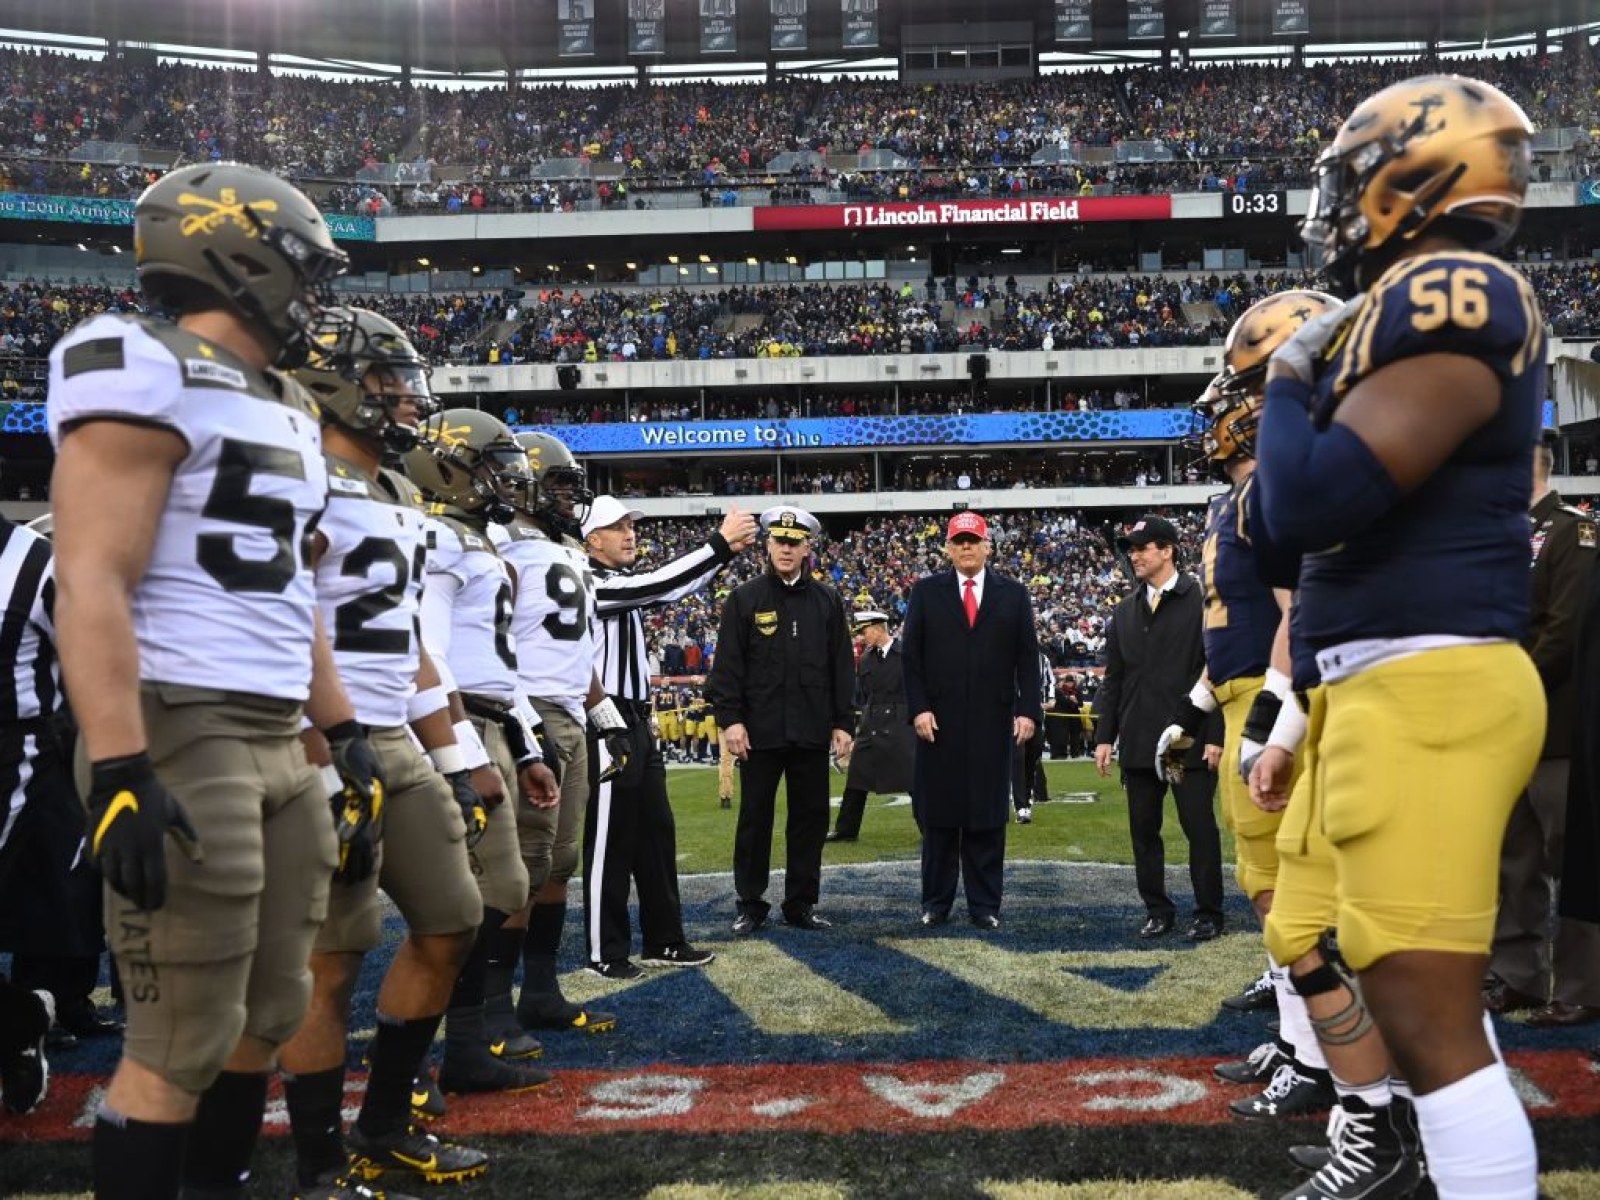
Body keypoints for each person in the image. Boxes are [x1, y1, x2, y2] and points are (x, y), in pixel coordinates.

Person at [48, 162, 379, 1200]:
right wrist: (120, 764)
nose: (311, 298)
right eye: (302, 271)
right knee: (181, 1034)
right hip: (180, 722)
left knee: (270, 1009)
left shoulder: (285, 399)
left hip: (282, 732)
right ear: (239, 257)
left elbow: (293, 591)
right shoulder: (134, 359)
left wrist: (349, 733)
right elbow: (92, 572)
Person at [1255, 74, 1547, 1198]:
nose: (1334, 208)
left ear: (1412, 174)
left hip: (1428, 680)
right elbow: (1297, 540)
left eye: (1348, 181)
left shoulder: (1452, 289)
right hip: (1390, 681)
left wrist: (1290, 382)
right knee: (1400, 994)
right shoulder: (1425, 295)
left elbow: (1307, 507)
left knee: (1430, 1021)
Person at [281, 309, 491, 1195]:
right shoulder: (297, 477)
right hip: (319, 741)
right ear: (333, 381)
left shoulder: (399, 494)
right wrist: (318, 750)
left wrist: (457, 755)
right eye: (383, 378)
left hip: (397, 737)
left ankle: (384, 1123)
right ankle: (322, 1163)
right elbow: (272, 617)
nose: (405, 395)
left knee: (452, 920)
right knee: (333, 960)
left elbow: (410, 646)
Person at [405, 408, 559, 1092]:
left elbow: (497, 661)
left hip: (491, 720)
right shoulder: (437, 540)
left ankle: (466, 1040)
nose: (508, 478)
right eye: (492, 464)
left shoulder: (477, 540)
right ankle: (425, 1049)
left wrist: (525, 747)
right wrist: (462, 752)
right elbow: (427, 653)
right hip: (451, 723)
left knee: (506, 887)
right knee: (461, 900)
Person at [585, 495, 755, 973]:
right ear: (591, 539)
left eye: (630, 525)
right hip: (606, 718)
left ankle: (664, 938)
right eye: (617, 527)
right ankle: (604, 949)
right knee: (610, 837)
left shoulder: (620, 581)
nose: (629, 533)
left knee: (656, 833)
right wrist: (719, 544)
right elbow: (661, 586)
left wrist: (725, 554)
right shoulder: (588, 581)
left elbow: (668, 588)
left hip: (638, 720)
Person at [490, 432, 623, 1036]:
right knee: (525, 861)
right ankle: (493, 999)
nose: (570, 498)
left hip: (570, 711)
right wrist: (523, 722)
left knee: (560, 861)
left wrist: (608, 717)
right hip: (531, 709)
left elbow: (575, 649)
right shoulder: (501, 542)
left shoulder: (564, 547)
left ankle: (540, 990)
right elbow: (495, 640)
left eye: (573, 486)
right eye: (560, 485)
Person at [1487, 439, 1600, 1027]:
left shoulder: (1572, 532)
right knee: (1515, 858)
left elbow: (1564, 631)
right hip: (1503, 733)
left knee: (1573, 859)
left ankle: (1582, 984)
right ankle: (1518, 976)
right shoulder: (1497, 537)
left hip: (1556, 728)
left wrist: (1504, 690)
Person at [707, 505, 854, 934]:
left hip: (810, 732)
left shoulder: (827, 599)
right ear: (767, 545)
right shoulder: (745, 598)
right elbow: (728, 668)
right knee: (755, 820)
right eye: (779, 541)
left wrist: (843, 723)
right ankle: (750, 904)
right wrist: (731, 720)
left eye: (794, 542)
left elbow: (841, 667)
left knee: (809, 821)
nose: (786, 549)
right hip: (760, 733)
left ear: (807, 547)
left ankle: (801, 904)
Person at [901, 512, 1043, 930]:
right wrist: (919, 708)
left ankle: (985, 905)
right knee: (939, 816)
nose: (966, 547)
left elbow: (1027, 657)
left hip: (992, 720)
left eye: (973, 540)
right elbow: (911, 659)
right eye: (958, 541)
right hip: (938, 724)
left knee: (985, 815)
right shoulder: (926, 593)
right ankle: (936, 902)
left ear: (987, 547)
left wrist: (1028, 710)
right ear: (947, 547)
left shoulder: (1013, 595)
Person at [1093, 515, 1226, 941]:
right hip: (1138, 737)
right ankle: (1157, 909)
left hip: (1184, 739)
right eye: (1130, 549)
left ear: (1166, 550)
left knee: (1197, 827)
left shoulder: (1201, 599)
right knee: (1143, 831)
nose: (1133, 555)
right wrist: (1103, 736)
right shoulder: (1124, 610)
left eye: (1141, 547)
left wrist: (1216, 735)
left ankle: (1208, 912)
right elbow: (1115, 679)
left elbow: (1219, 668)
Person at [828, 608, 915, 843]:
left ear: (877, 629)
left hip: (900, 723)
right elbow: (866, 695)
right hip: (872, 723)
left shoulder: (907, 653)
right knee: (857, 777)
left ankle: (931, 828)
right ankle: (846, 829)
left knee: (913, 779)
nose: (861, 637)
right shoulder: (867, 658)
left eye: (864, 632)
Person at [1011, 647, 1055, 825]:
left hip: (1035, 712)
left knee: (1032, 755)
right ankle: (1021, 806)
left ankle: (1027, 797)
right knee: (1018, 756)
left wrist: (1050, 699)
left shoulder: (1042, 659)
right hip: (1012, 713)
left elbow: (1049, 681)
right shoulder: (1005, 656)